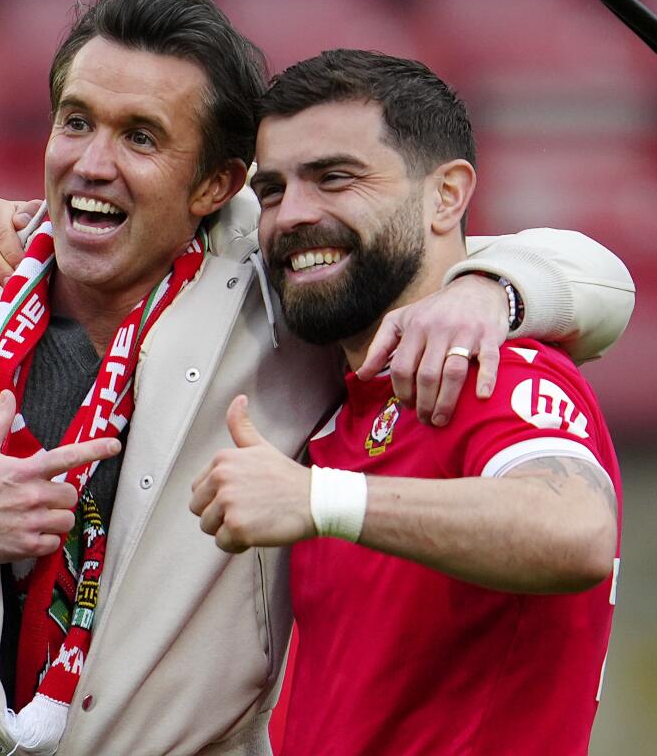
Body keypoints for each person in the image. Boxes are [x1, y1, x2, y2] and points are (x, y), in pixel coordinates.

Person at [0, 0, 633, 756]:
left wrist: (490, 286)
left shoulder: (277, 304)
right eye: (76, 122)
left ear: (214, 188)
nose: (92, 164)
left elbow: (589, 279)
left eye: (141, 137)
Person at [189, 50, 626, 755]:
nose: (292, 216)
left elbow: (573, 532)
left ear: (446, 196)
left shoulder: (493, 371)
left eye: (335, 177)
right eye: (272, 191)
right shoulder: (338, 402)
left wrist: (319, 499)